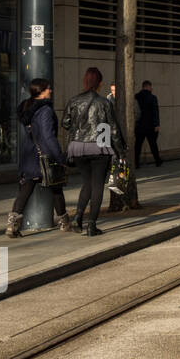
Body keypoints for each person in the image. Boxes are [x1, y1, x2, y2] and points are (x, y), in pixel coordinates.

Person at [62, 66, 123, 236]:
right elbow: (114, 129)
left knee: (86, 183)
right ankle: (91, 225)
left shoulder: (73, 101)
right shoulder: (104, 103)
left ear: (85, 81)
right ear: (100, 83)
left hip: (78, 147)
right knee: (97, 186)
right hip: (99, 146)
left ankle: (78, 217)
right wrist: (120, 151)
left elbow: (65, 123)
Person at [7, 77, 69, 237]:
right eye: (48, 88)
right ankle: (64, 222)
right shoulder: (45, 110)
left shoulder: (27, 109)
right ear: (41, 92)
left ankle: (12, 224)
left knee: (25, 191)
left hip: (29, 155)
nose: (51, 91)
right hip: (44, 155)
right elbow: (48, 136)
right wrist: (59, 156)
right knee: (56, 188)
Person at [134, 80, 162, 168]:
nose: (152, 88)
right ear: (148, 87)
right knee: (153, 144)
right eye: (151, 87)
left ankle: (136, 163)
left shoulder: (136, 97)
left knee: (138, 145)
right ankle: (158, 161)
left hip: (139, 125)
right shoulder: (153, 98)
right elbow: (155, 112)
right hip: (150, 125)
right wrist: (157, 124)